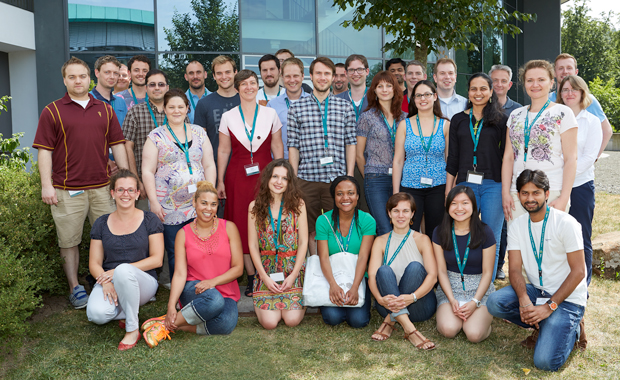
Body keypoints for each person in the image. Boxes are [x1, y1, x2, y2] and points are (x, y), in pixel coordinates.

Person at [33, 57, 129, 309]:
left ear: (90, 78)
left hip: (101, 187)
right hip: (67, 190)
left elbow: (117, 144)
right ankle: (75, 287)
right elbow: (44, 151)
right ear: (64, 80)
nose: (78, 81)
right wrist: (46, 185)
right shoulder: (52, 111)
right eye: (72, 77)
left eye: (82, 76)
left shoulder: (105, 109)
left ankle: (107, 280)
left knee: (111, 237)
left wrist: (126, 178)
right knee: (69, 240)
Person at [487, 169, 586, 371]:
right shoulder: (517, 226)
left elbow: (579, 272)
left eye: (536, 193)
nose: (530, 198)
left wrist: (549, 307)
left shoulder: (566, 223)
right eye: (525, 193)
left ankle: (574, 329)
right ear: (519, 195)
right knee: (495, 303)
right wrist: (523, 299)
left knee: (545, 362)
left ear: (547, 194)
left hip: (566, 299)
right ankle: (544, 325)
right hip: (537, 292)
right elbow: (514, 269)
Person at [141, 181, 243, 347]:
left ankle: (169, 325)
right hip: (194, 290)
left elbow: (238, 268)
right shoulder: (183, 233)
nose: (208, 209)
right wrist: (171, 305)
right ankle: (172, 318)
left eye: (213, 204)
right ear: (194, 203)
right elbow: (180, 273)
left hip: (225, 291)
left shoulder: (229, 228)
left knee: (226, 323)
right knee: (214, 301)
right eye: (203, 203)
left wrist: (212, 282)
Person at [217, 70, 284, 296]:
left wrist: (283, 174)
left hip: (266, 175)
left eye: (252, 83)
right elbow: (224, 150)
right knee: (241, 224)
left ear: (258, 86)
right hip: (237, 177)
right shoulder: (228, 117)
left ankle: (270, 270)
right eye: (243, 84)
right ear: (236, 88)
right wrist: (220, 180)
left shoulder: (270, 113)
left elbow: (277, 147)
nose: (248, 87)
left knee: (267, 221)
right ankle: (252, 277)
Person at [142, 89, 217, 280]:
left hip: (197, 204)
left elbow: (208, 164)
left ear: (187, 109)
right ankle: (181, 287)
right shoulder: (155, 137)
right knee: (175, 249)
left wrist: (210, 197)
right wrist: (154, 202)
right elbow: (148, 171)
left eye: (180, 107)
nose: (176, 111)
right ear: (165, 110)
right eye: (171, 107)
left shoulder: (199, 132)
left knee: (201, 245)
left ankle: (201, 281)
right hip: (168, 206)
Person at [86, 170, 164, 351]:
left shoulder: (149, 220)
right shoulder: (101, 223)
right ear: (112, 193)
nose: (125, 194)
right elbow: (94, 263)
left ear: (137, 193)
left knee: (123, 270)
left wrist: (120, 271)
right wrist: (105, 282)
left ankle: (132, 329)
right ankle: (127, 311)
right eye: (120, 190)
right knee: (96, 315)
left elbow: (157, 259)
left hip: (143, 280)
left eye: (130, 190)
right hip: (110, 280)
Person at [287, 57, 357, 256]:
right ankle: (315, 268)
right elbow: (293, 147)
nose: (322, 77)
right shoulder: (296, 108)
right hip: (306, 178)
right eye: (318, 73)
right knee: (309, 229)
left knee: (337, 227)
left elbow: (350, 143)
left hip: (336, 179)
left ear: (333, 77)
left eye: (327, 73)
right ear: (310, 76)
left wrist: (349, 176)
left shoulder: (345, 107)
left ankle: (336, 268)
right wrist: (293, 178)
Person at [446, 73, 507, 281]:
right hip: (465, 184)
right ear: (468, 92)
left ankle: (487, 286)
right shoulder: (458, 120)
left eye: (483, 88)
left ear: (491, 92)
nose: (478, 93)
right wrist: (449, 190)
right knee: (463, 232)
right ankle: (463, 277)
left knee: (491, 236)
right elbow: (453, 158)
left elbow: (507, 157)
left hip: (493, 185)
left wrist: (506, 189)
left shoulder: (501, 120)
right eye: (473, 89)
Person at [501, 60, 578, 225]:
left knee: (551, 246)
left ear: (551, 83)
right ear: (524, 84)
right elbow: (508, 157)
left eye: (541, 80)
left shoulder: (563, 113)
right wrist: (505, 193)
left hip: (551, 191)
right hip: (518, 192)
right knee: (519, 246)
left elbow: (571, 158)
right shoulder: (515, 115)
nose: (535, 84)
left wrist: (564, 197)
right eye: (530, 80)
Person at [367, 192, 437, 349]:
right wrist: (379, 299)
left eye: (406, 211)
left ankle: (390, 320)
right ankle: (410, 329)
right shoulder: (380, 241)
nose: (401, 215)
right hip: (385, 305)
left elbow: (433, 276)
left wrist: (412, 297)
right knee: (383, 270)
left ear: (412, 214)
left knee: (415, 267)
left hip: (419, 304)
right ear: (389, 213)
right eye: (396, 211)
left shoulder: (422, 239)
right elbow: (372, 276)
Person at [248, 159, 308, 329]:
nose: (279, 182)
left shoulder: (299, 205)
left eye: (284, 178)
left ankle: (294, 287)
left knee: (292, 320)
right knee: (269, 323)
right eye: (275, 176)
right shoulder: (254, 207)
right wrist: (264, 278)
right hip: (266, 271)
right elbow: (252, 246)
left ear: (290, 183)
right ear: (267, 178)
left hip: (292, 270)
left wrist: (294, 275)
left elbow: (303, 243)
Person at [433, 186, 496, 343]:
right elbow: (441, 271)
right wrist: (451, 299)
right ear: (448, 207)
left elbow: (488, 272)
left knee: (474, 335)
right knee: (448, 330)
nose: (459, 208)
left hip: (479, 289)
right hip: (450, 288)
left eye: (465, 203)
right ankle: (453, 313)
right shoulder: (439, 232)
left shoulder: (485, 232)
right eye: (454, 203)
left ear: (473, 206)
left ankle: (484, 319)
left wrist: (475, 301)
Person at [557, 75, 602, 287]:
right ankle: (558, 282)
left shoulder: (592, 122)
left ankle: (582, 288)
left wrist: (566, 175)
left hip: (580, 186)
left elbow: (588, 158)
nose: (569, 93)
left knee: (581, 236)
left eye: (574, 89)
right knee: (557, 236)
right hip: (556, 186)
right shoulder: (555, 118)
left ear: (582, 93)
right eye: (565, 89)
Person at [315, 176, 375, 328]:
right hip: (332, 277)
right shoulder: (323, 221)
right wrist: (333, 285)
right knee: (332, 318)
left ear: (357, 196)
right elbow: (323, 257)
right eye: (340, 193)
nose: (345, 198)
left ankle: (352, 303)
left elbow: (363, 257)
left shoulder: (367, 220)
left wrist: (355, 287)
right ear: (334, 197)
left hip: (358, 277)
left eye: (350, 193)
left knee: (358, 321)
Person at [393, 80, 450, 238]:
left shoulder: (445, 125)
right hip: (410, 186)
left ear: (435, 97)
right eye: (418, 95)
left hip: (438, 186)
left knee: (436, 233)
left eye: (427, 94)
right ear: (413, 99)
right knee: (408, 233)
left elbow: (449, 159)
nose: (423, 98)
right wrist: (396, 192)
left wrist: (449, 190)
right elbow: (398, 160)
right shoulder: (404, 125)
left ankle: (434, 263)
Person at [356, 71, 407, 235]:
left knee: (399, 226)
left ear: (395, 89)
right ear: (374, 91)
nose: (384, 90)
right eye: (380, 86)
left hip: (401, 178)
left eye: (388, 86)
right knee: (384, 227)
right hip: (376, 180)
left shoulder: (405, 118)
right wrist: (369, 177)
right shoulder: (367, 117)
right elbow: (359, 154)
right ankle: (384, 262)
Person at [489, 64, 522, 280]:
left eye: (503, 81)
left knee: (503, 222)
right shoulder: (480, 106)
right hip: (485, 172)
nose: (499, 84)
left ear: (509, 84)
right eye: (495, 80)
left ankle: (499, 265)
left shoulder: (518, 111)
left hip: (509, 172)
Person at [122, 69, 171, 211]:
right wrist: (136, 181)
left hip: (172, 184)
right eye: (152, 84)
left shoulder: (176, 112)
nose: (157, 88)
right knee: (145, 226)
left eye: (161, 84)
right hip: (143, 185)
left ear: (167, 88)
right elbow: (127, 147)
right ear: (146, 88)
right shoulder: (135, 112)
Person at [550, 53, 612, 157]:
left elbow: (607, 131)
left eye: (569, 68)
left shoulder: (588, 100)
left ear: (576, 72)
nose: (565, 71)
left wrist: (594, 157)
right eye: (560, 68)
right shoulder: (547, 99)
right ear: (554, 73)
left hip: (580, 165)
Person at [194, 55, 240, 167]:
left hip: (243, 165)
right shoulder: (204, 104)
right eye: (219, 73)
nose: (224, 77)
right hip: (215, 166)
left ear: (235, 72)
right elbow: (199, 142)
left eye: (228, 72)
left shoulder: (246, 101)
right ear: (214, 76)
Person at [267, 57, 311, 159]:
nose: (292, 80)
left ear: (303, 76)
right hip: (282, 161)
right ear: (282, 77)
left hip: (308, 163)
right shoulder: (272, 106)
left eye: (296, 76)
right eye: (287, 76)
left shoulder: (314, 103)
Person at [90, 55, 128, 126]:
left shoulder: (121, 102)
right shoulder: (86, 100)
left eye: (116, 73)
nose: (112, 77)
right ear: (97, 73)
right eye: (107, 72)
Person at [336, 54, 370, 123]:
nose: (355, 74)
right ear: (346, 73)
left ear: (367, 71)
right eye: (351, 70)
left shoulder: (377, 97)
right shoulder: (336, 101)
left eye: (359, 69)